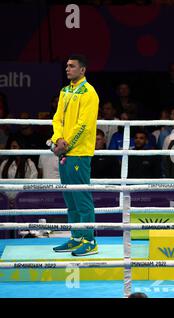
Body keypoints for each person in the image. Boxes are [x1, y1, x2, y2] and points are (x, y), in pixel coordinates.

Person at [50, 54, 99, 257]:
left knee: (82, 198)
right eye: (67, 66)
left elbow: (84, 124)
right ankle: (76, 238)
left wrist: (65, 144)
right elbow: (57, 118)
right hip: (65, 151)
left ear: (82, 70)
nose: (67, 69)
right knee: (69, 198)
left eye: (72, 66)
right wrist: (57, 138)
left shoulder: (89, 93)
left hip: (79, 153)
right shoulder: (64, 91)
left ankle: (90, 240)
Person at [0, 135, 38, 207]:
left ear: (21, 147)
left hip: (24, 203)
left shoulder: (29, 165)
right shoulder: (5, 164)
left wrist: (18, 199)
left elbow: (33, 185)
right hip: (5, 203)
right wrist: (6, 199)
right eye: (11, 147)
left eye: (14, 147)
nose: (12, 149)